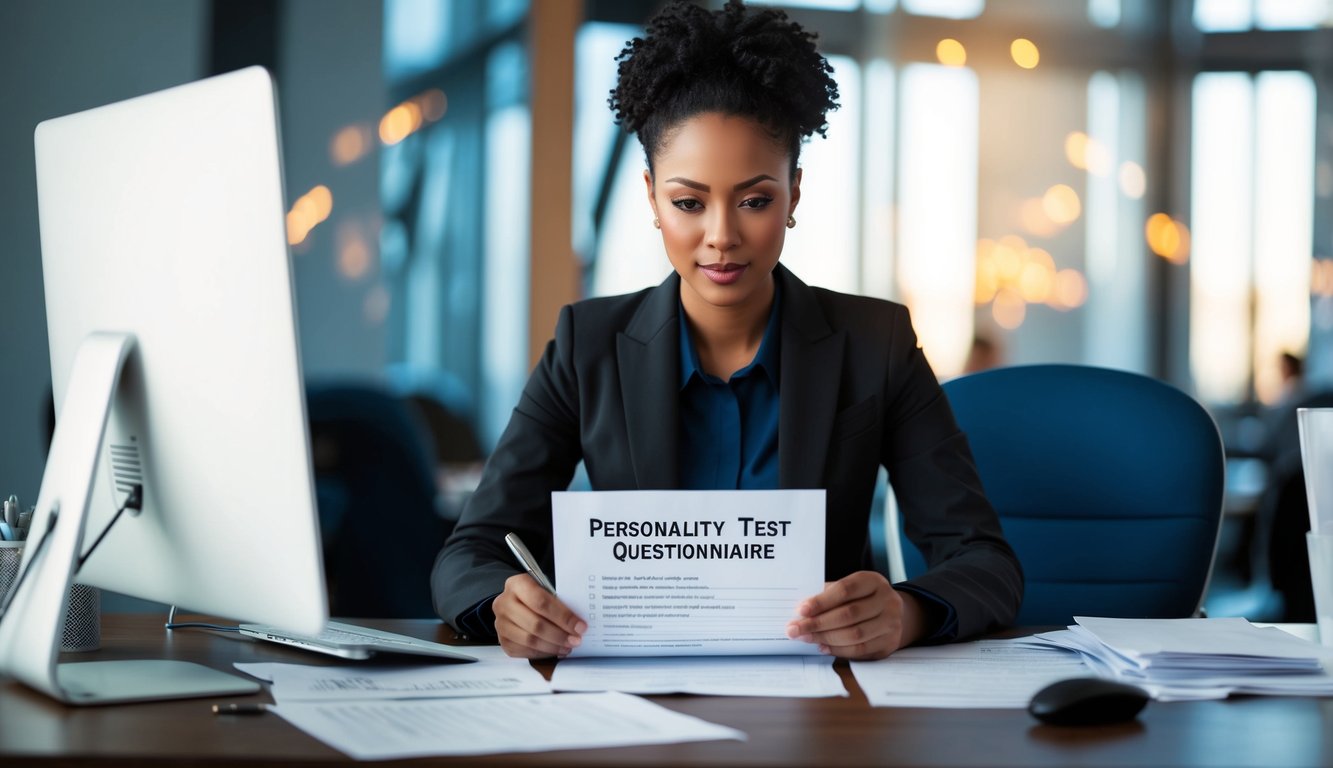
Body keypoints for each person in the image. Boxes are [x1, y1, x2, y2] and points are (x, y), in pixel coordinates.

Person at [432, 0, 1022, 660]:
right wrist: (503, 605)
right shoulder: (585, 344)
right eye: (688, 202)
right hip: (631, 695)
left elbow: (985, 562)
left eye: (754, 200)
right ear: (652, 197)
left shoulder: (873, 342)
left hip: (822, 704)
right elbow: (470, 554)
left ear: (793, 196)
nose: (720, 237)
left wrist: (906, 613)